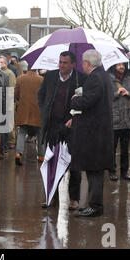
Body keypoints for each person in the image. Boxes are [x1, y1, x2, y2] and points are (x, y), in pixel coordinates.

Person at [38, 51, 87, 210]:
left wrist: (76, 118)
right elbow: (41, 96)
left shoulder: (81, 79)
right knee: (52, 162)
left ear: (73, 64)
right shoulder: (50, 77)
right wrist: (46, 112)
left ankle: (74, 199)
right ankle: (51, 197)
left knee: (74, 164)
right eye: (59, 62)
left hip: (72, 126)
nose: (61, 65)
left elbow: (86, 103)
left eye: (65, 63)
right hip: (53, 126)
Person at [71, 50, 114, 218]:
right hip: (99, 130)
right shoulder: (103, 76)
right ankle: (93, 204)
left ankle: (95, 206)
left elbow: (87, 101)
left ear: (88, 63)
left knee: (94, 169)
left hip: (95, 132)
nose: (82, 66)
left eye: (83, 63)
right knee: (93, 169)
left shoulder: (95, 78)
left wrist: (75, 98)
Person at [108, 62, 130, 182]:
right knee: (112, 148)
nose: (121, 67)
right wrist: (117, 93)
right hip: (114, 119)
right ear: (114, 66)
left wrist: (128, 93)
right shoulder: (109, 79)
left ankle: (124, 172)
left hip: (127, 119)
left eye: (123, 65)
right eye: (118, 65)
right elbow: (105, 96)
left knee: (125, 149)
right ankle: (112, 171)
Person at [14, 61, 43, 166]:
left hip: (23, 111)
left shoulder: (20, 78)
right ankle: (41, 155)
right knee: (40, 133)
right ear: (37, 69)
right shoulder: (41, 80)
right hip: (37, 111)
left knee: (22, 132)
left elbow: (16, 94)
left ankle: (19, 153)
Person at [0, 55, 16, 153]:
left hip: (8, 101)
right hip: (1, 101)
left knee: (10, 122)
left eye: (0, 62)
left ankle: (11, 140)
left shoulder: (10, 73)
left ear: (5, 63)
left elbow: (12, 87)